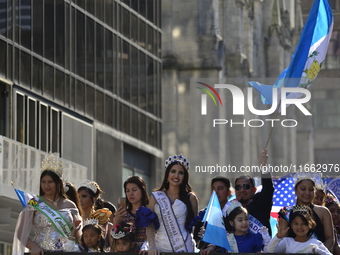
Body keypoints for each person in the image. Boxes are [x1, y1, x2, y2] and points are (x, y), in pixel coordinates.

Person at [12, 153, 82, 255]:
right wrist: (34, 247)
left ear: (58, 183)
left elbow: (79, 232)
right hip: (42, 253)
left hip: (67, 252)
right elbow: (20, 232)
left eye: (50, 182)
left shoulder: (70, 205)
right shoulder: (35, 202)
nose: (46, 185)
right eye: (43, 182)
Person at [136, 153, 198, 253]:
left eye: (180, 173)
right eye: (173, 171)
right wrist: (151, 246)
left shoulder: (191, 198)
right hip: (160, 248)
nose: (176, 175)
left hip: (184, 247)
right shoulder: (156, 197)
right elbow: (149, 224)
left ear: (184, 177)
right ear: (167, 174)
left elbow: (194, 226)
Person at [279, 173, 334, 251]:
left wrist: (320, 252)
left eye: (311, 190)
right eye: (303, 189)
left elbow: (330, 238)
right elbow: (283, 240)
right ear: (295, 190)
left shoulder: (323, 211)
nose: (307, 193)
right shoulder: (286, 213)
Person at [234, 148, 274, 236]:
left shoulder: (260, 202)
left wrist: (263, 166)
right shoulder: (232, 209)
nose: (242, 190)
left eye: (246, 186)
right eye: (238, 187)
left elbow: (268, 189)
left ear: (254, 190)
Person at [267, 205, 332, 254]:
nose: (300, 227)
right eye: (296, 224)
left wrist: (317, 251)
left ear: (310, 225)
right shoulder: (287, 242)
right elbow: (270, 251)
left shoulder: (316, 243)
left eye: (304, 223)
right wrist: (278, 237)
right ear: (291, 225)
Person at [192, 176, 231, 254]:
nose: (216, 192)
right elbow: (197, 238)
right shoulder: (204, 214)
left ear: (228, 192)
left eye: (220, 188)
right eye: (213, 189)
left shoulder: (235, 213)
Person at [113, 176, 149, 252]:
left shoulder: (149, 211)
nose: (130, 194)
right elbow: (114, 239)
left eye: (134, 190)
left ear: (142, 190)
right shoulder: (123, 214)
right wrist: (116, 221)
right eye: (127, 191)